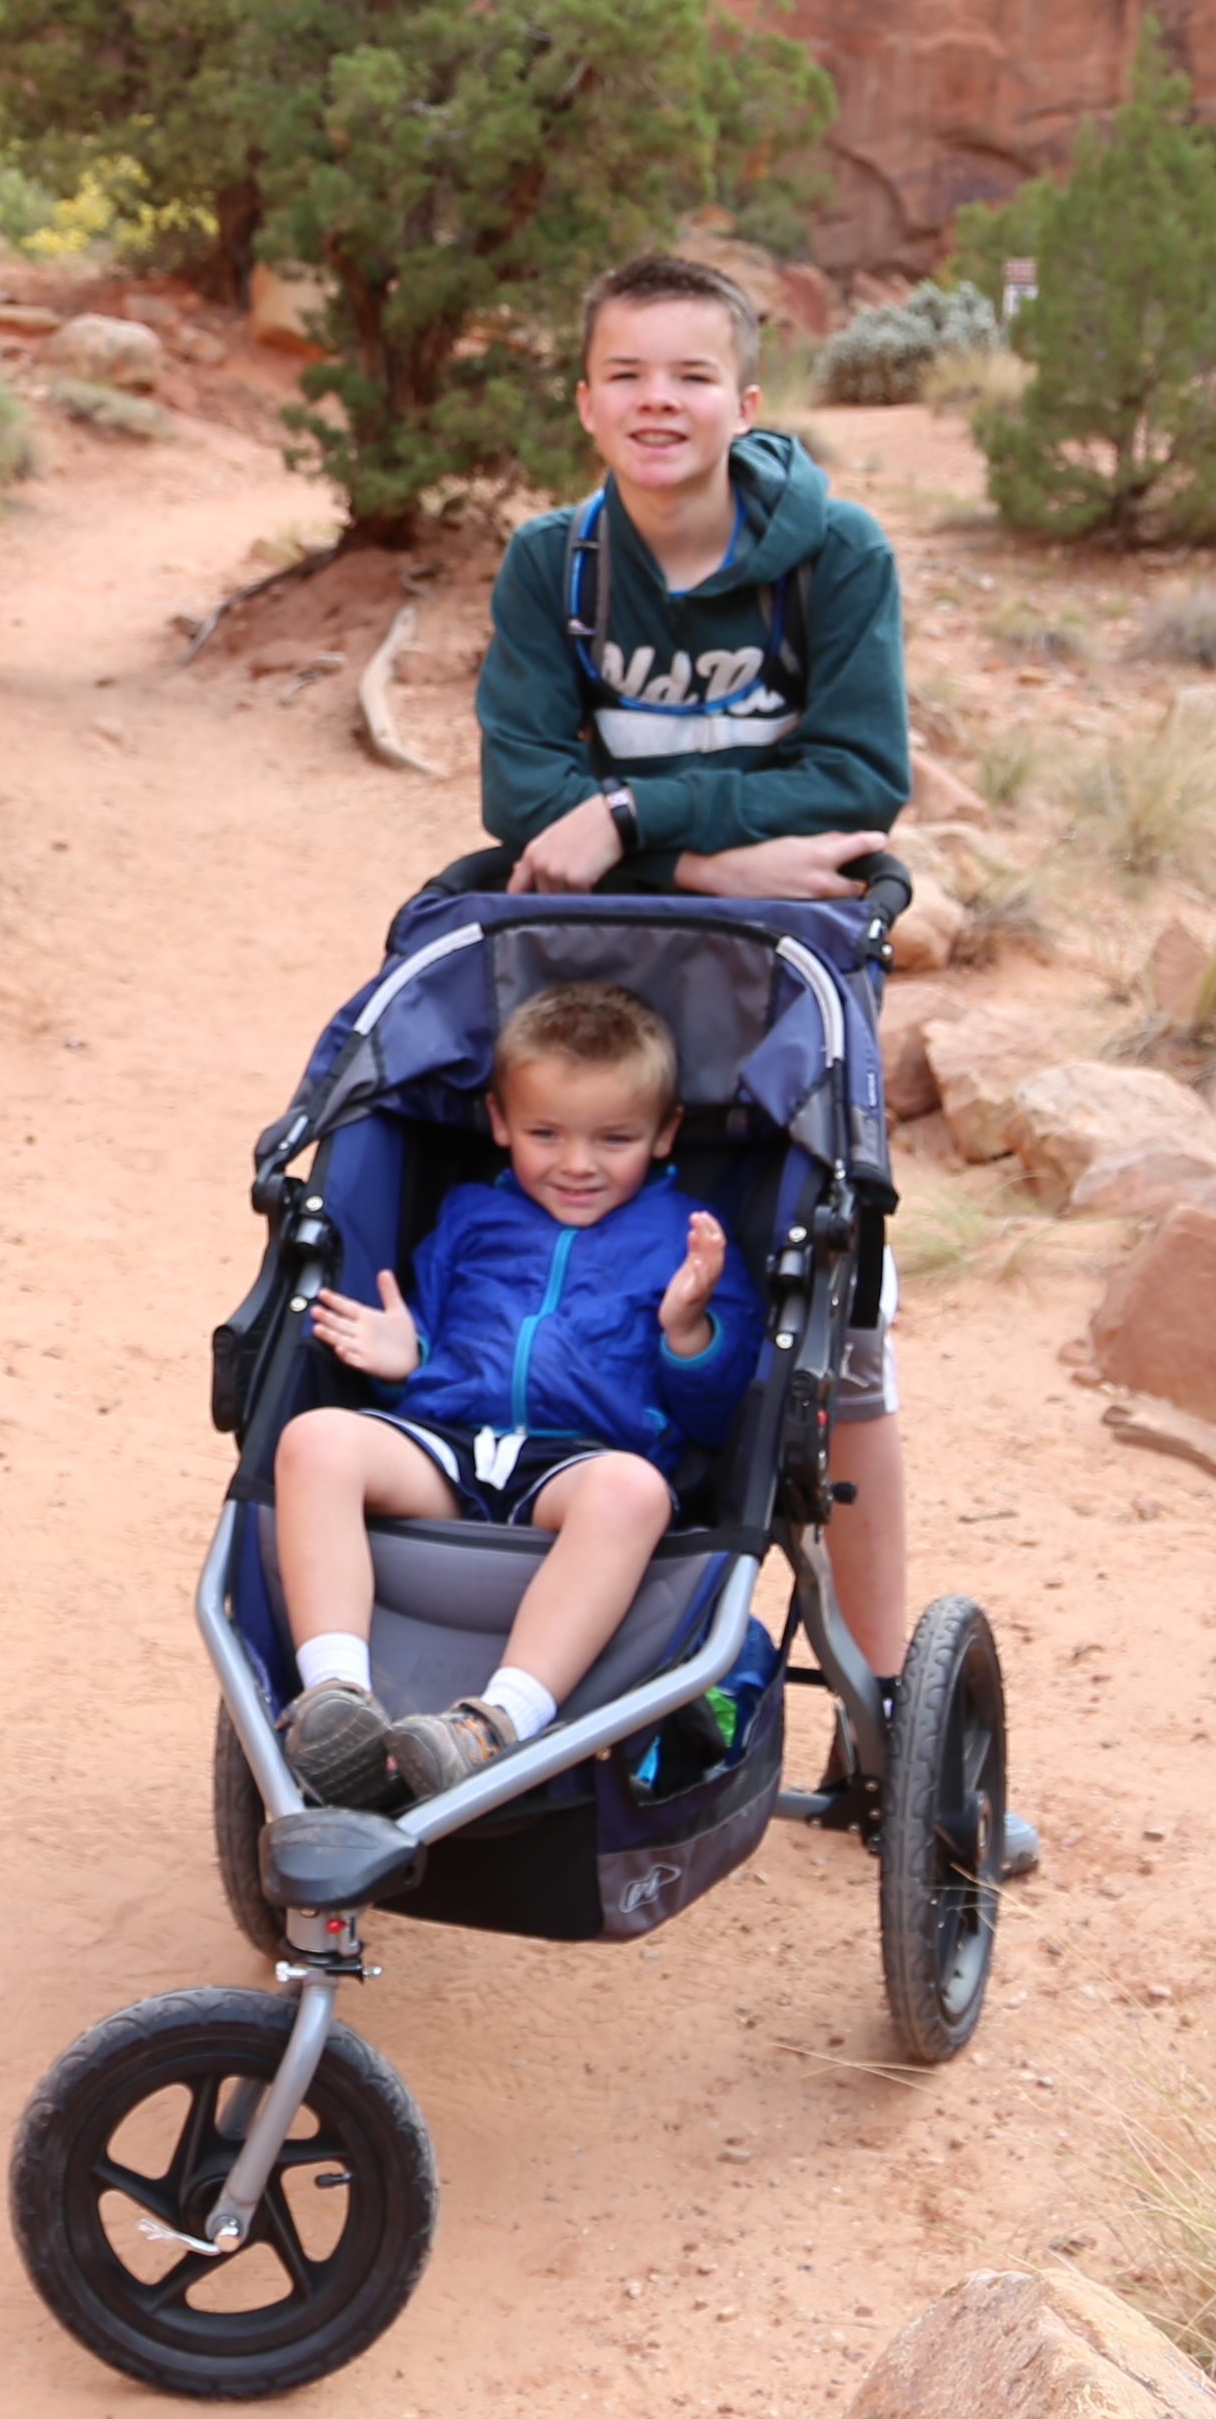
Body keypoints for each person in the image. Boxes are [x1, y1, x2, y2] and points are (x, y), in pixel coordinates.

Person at [471, 251, 930, 1654]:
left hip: (786, 995)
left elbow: (860, 777)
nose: (655, 401)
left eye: (687, 375)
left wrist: (630, 812)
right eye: (626, 375)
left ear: (745, 397)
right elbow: (516, 800)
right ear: (586, 401)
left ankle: (883, 1689)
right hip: (589, 989)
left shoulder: (833, 558)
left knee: (842, 1365)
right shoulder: (556, 566)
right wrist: (707, 857)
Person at [265, 983, 754, 1806]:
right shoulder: (468, 1215)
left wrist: (687, 1330)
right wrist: (402, 1352)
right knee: (315, 1438)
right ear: (499, 1122)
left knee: (634, 1492)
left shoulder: (687, 1240)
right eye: (544, 1134)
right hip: (449, 1443)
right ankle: (335, 1701)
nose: (577, 1163)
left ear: (665, 1133)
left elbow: (715, 1415)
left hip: (581, 1463)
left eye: (615, 1138)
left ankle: (497, 1724)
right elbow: (434, 1334)